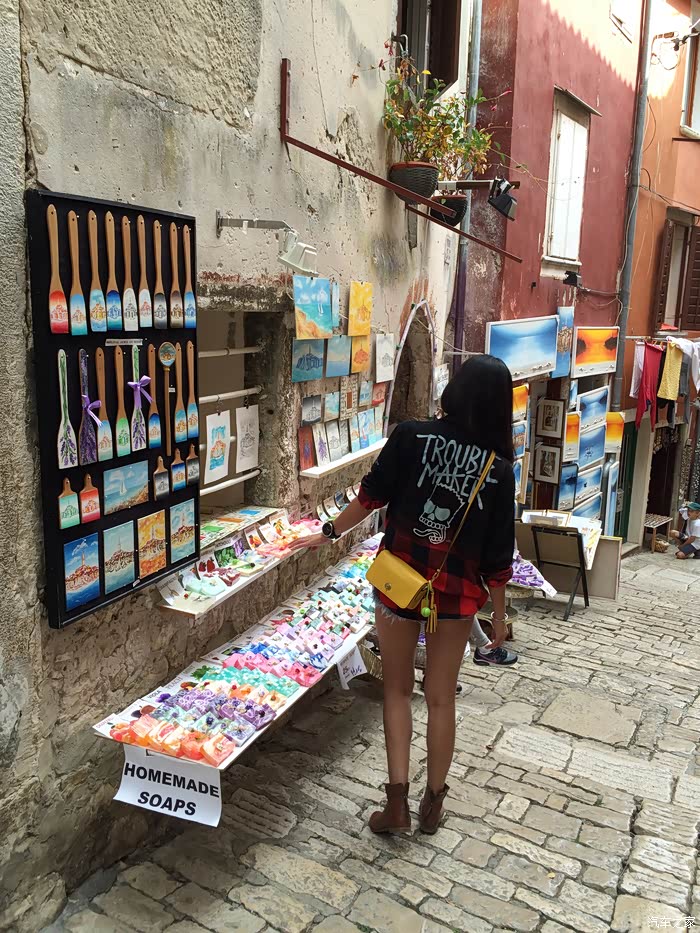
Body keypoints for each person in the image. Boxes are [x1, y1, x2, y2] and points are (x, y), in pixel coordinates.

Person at [291, 355, 517, 835]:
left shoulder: (412, 436)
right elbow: (498, 558)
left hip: (399, 582)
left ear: (456, 391)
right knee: (441, 699)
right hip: (455, 598)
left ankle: (396, 807)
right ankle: (432, 807)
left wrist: (329, 531)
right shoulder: (498, 469)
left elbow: (370, 495)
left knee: (396, 690)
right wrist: (498, 619)